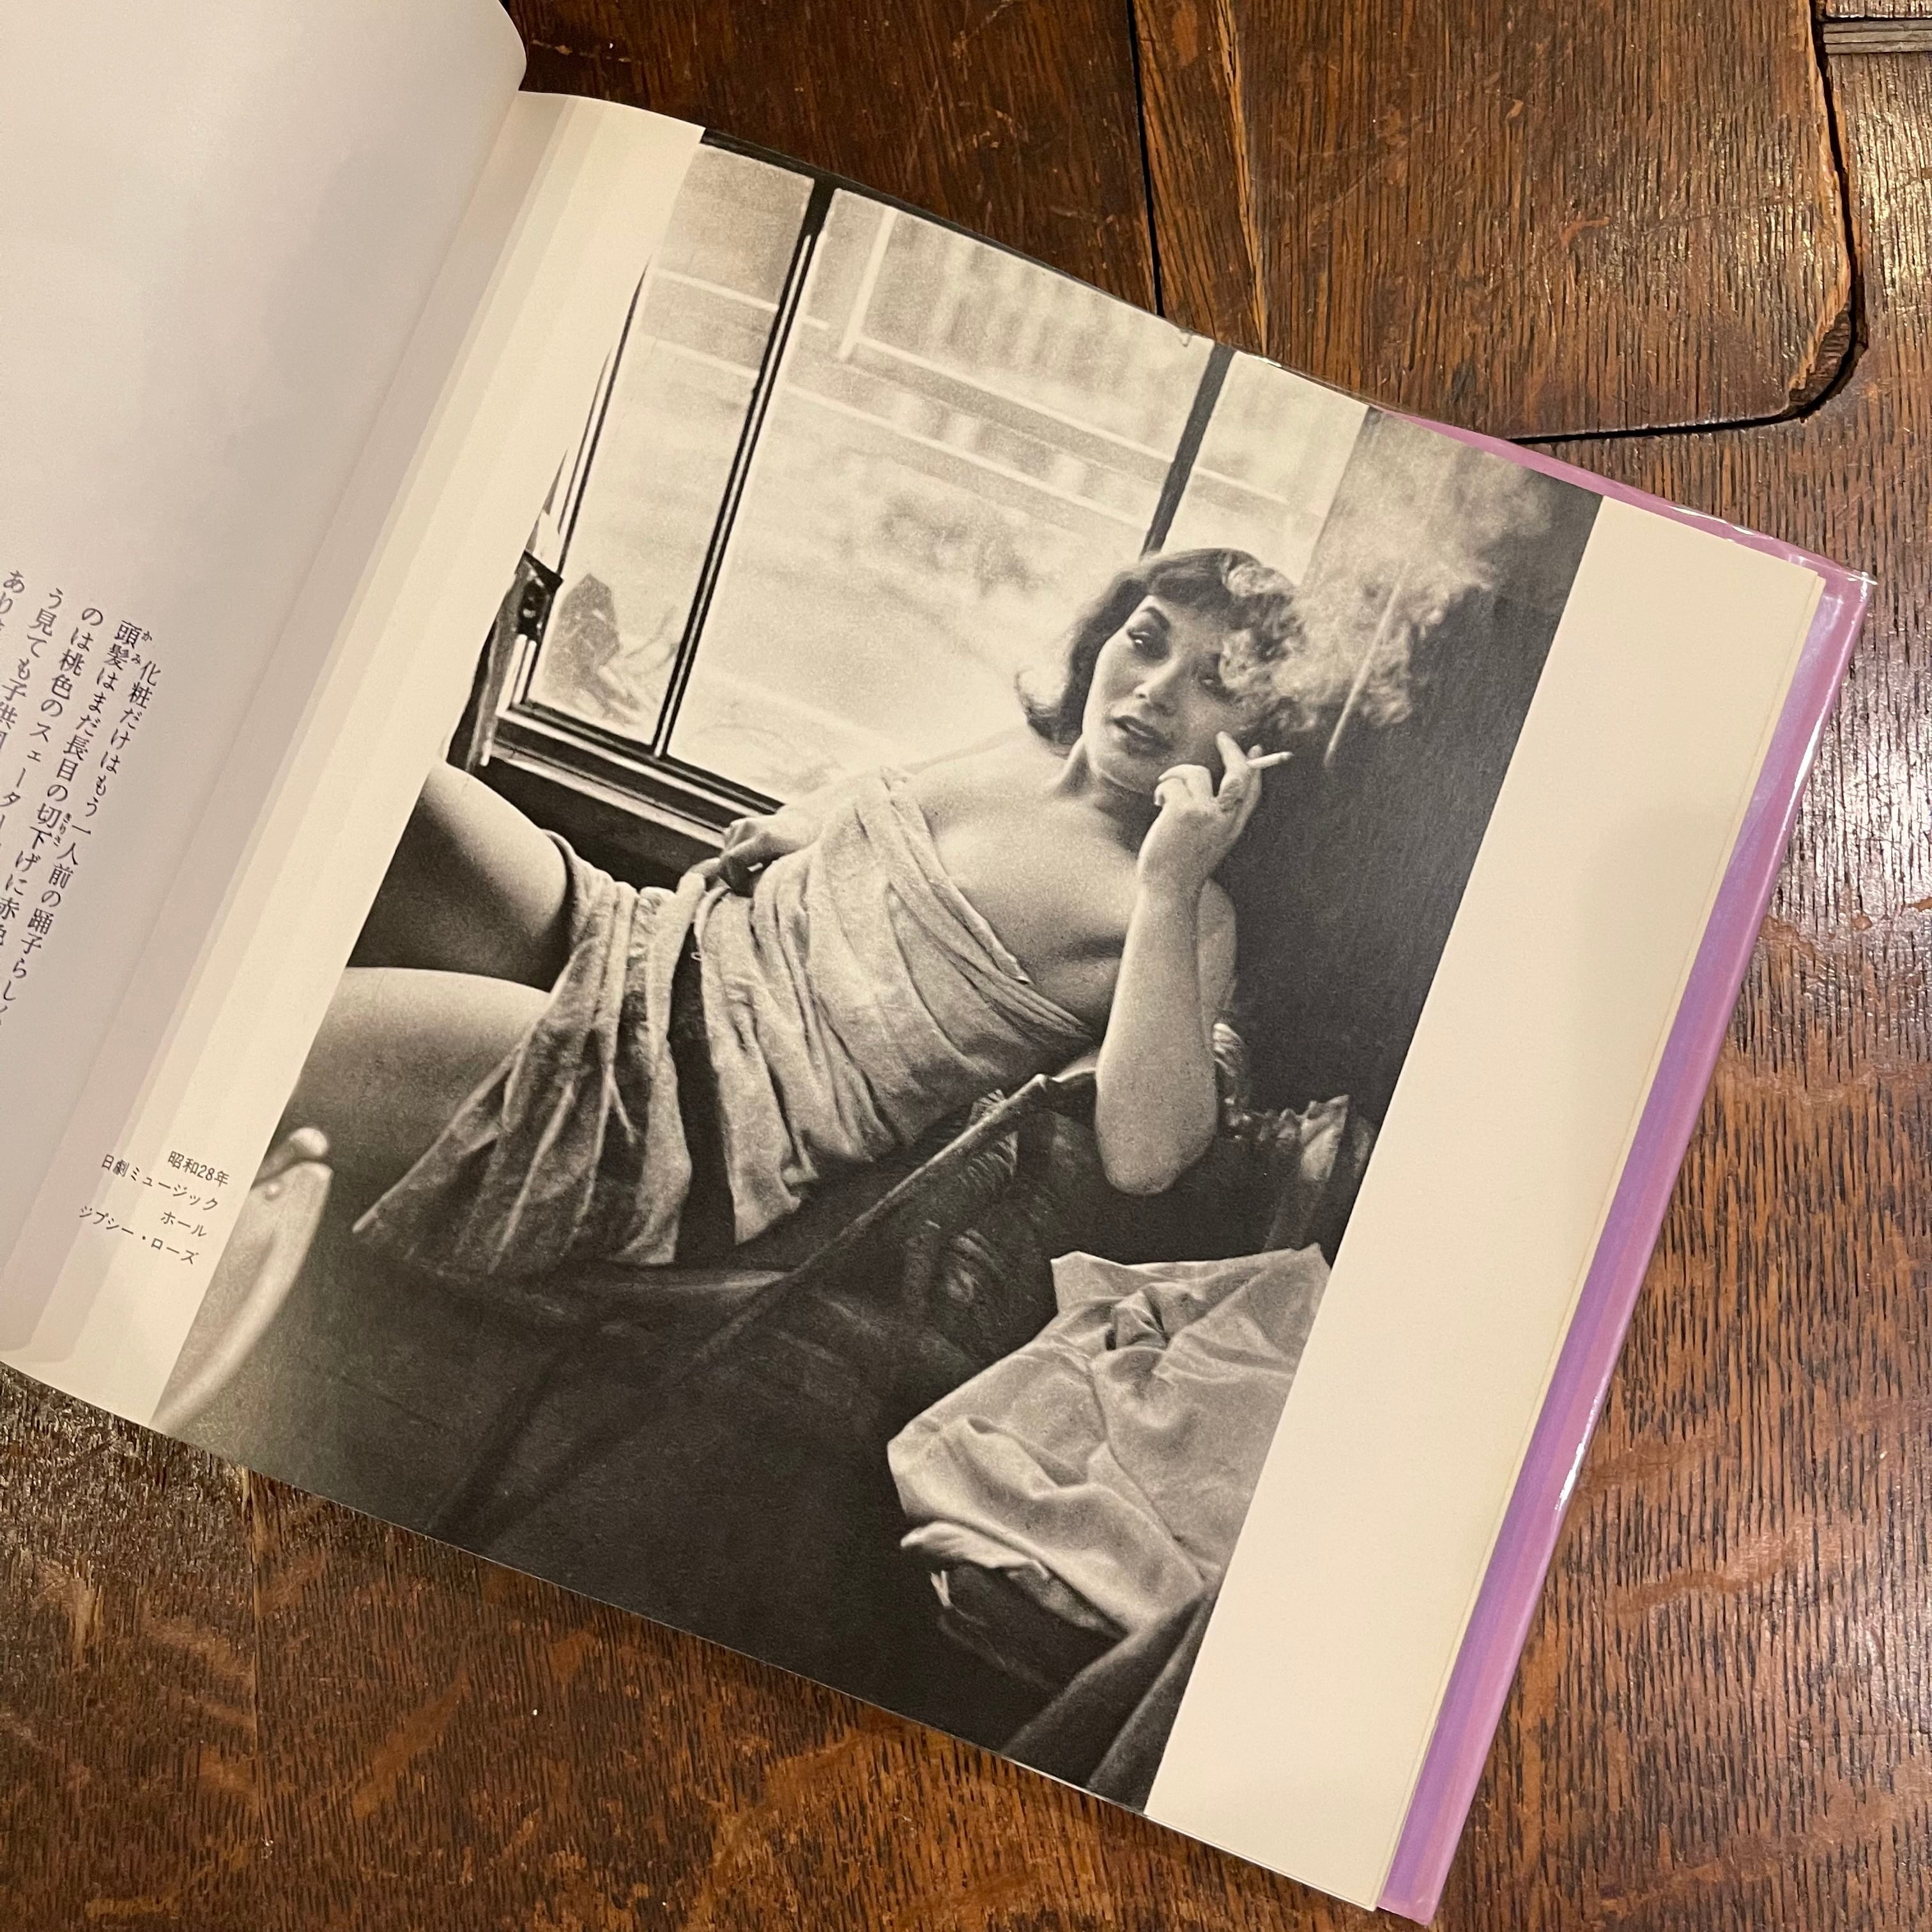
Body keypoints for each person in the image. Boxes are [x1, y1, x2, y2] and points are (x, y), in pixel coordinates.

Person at [279, 548, 1337, 1282]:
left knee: (263, 1045)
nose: (1155, 689)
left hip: (671, 1114)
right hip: (642, 944)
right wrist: (800, 829)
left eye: (1214, 683)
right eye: (1146, 641)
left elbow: (1147, 1156)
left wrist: (1167, 885)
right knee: (358, 771)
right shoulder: (1024, 750)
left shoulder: (1185, 909)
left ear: (1262, 741)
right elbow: (885, 815)